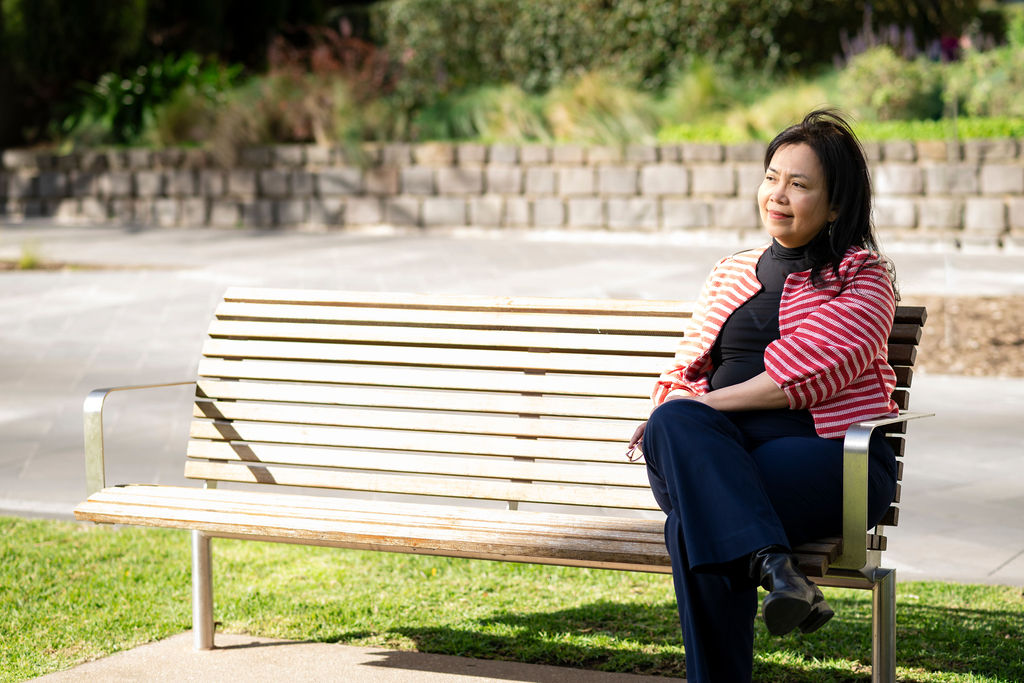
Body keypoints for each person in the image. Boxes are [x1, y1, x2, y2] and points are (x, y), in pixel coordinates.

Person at [626, 109, 899, 683]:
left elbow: (801, 376)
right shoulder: (731, 272)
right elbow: (685, 370)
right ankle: (776, 568)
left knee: (690, 523)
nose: (778, 194)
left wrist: (691, 412)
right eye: (772, 177)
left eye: (799, 184)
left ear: (837, 204)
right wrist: (678, 411)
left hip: (828, 457)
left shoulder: (865, 279)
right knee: (674, 424)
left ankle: (765, 576)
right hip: (721, 452)